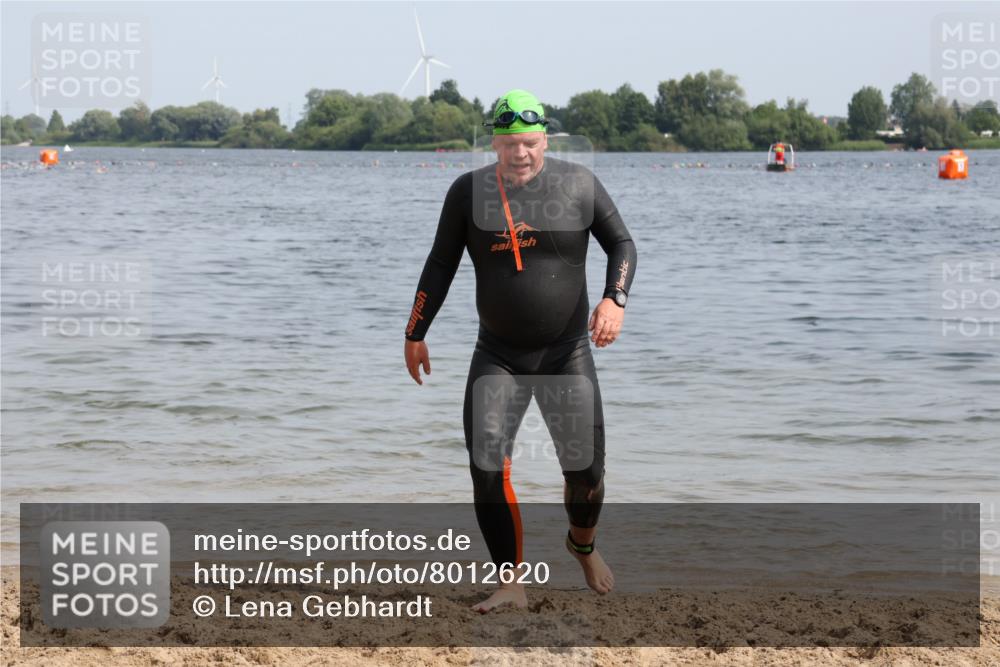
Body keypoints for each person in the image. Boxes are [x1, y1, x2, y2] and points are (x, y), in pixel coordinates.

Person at [403, 89, 637, 612]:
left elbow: (621, 243)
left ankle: (582, 545)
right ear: (495, 144)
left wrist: (613, 300)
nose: (521, 155)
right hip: (499, 354)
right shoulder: (468, 193)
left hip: (567, 351)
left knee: (586, 473)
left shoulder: (578, 183)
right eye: (510, 145)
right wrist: (415, 331)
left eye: (530, 144)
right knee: (485, 465)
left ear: (544, 141)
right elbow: (439, 264)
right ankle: (510, 580)